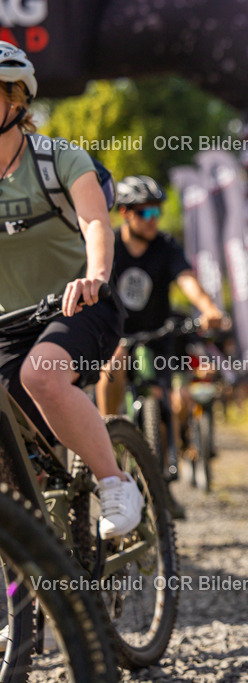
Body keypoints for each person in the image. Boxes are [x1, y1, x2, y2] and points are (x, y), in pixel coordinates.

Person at [0, 42, 142, 538]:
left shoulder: (58, 158)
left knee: (42, 376)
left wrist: (95, 278)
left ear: (16, 100)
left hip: (78, 305)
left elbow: (96, 225)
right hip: (9, 322)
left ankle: (114, 480)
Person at [96, 175, 224, 516]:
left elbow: (186, 279)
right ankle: (105, 441)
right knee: (113, 366)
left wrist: (207, 307)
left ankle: (162, 488)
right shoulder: (108, 245)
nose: (153, 219)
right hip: (116, 335)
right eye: (145, 213)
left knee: (172, 404)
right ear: (124, 213)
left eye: (157, 212)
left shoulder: (166, 246)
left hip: (158, 336)